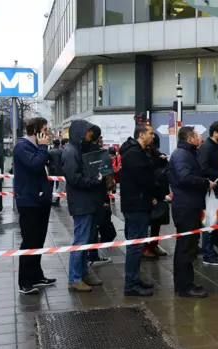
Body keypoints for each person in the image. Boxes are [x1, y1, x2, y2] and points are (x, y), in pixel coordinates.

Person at [169, 126, 215, 298]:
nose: (200, 138)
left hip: (190, 205)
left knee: (188, 247)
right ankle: (184, 286)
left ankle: (186, 283)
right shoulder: (182, 155)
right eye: (196, 135)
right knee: (185, 248)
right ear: (190, 139)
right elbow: (185, 178)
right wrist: (205, 183)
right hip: (186, 207)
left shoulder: (188, 153)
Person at [13, 117, 56, 294]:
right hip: (29, 200)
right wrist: (44, 147)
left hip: (41, 199)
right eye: (44, 130)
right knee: (29, 240)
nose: (47, 133)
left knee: (39, 240)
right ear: (36, 131)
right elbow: (34, 164)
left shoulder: (36, 147)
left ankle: (36, 275)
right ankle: (25, 281)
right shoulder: (22, 146)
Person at [63, 120, 104, 292]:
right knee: (80, 240)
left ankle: (83, 273)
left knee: (85, 240)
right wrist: (92, 182)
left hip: (86, 201)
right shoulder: (71, 152)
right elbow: (74, 178)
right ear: (80, 132)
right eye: (88, 132)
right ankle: (75, 278)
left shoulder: (78, 149)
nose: (90, 135)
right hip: (81, 202)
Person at [120, 124, 159, 297]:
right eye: (150, 133)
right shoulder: (133, 154)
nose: (153, 136)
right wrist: (155, 191)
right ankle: (131, 284)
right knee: (135, 246)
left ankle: (135, 279)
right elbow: (144, 179)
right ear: (142, 135)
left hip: (140, 203)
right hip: (136, 204)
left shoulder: (140, 152)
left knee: (137, 244)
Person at [197, 121, 218, 266]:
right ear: (215, 133)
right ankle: (207, 254)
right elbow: (203, 168)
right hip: (209, 190)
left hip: (215, 189)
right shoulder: (208, 147)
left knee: (214, 219)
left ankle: (210, 249)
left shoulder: (214, 147)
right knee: (209, 220)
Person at [85, 127, 115, 266]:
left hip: (85, 197)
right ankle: (91, 255)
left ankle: (90, 256)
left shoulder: (82, 152)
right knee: (96, 227)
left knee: (88, 229)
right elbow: (108, 181)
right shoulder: (102, 155)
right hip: (99, 196)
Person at [143, 133, 170, 258]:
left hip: (159, 193)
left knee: (157, 221)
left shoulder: (159, 155)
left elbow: (166, 171)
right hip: (148, 194)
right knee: (146, 223)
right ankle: (145, 247)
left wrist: (165, 162)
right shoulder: (143, 156)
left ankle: (153, 245)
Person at [47, 139, 63, 206]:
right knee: (58, 186)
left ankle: (50, 200)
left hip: (51, 170)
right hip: (60, 170)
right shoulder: (62, 151)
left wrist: (48, 165)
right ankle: (57, 201)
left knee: (50, 186)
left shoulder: (50, 151)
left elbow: (45, 161)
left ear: (53, 144)